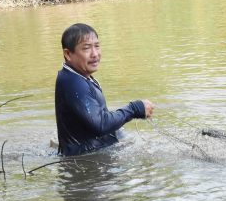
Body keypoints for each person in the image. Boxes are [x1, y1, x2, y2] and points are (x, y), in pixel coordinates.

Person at [55, 23, 154, 156]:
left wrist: (122, 137)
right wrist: (134, 109)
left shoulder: (77, 77)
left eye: (97, 46)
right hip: (87, 165)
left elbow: (96, 120)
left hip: (96, 154)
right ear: (68, 54)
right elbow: (101, 124)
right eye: (86, 48)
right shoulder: (74, 83)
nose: (95, 54)